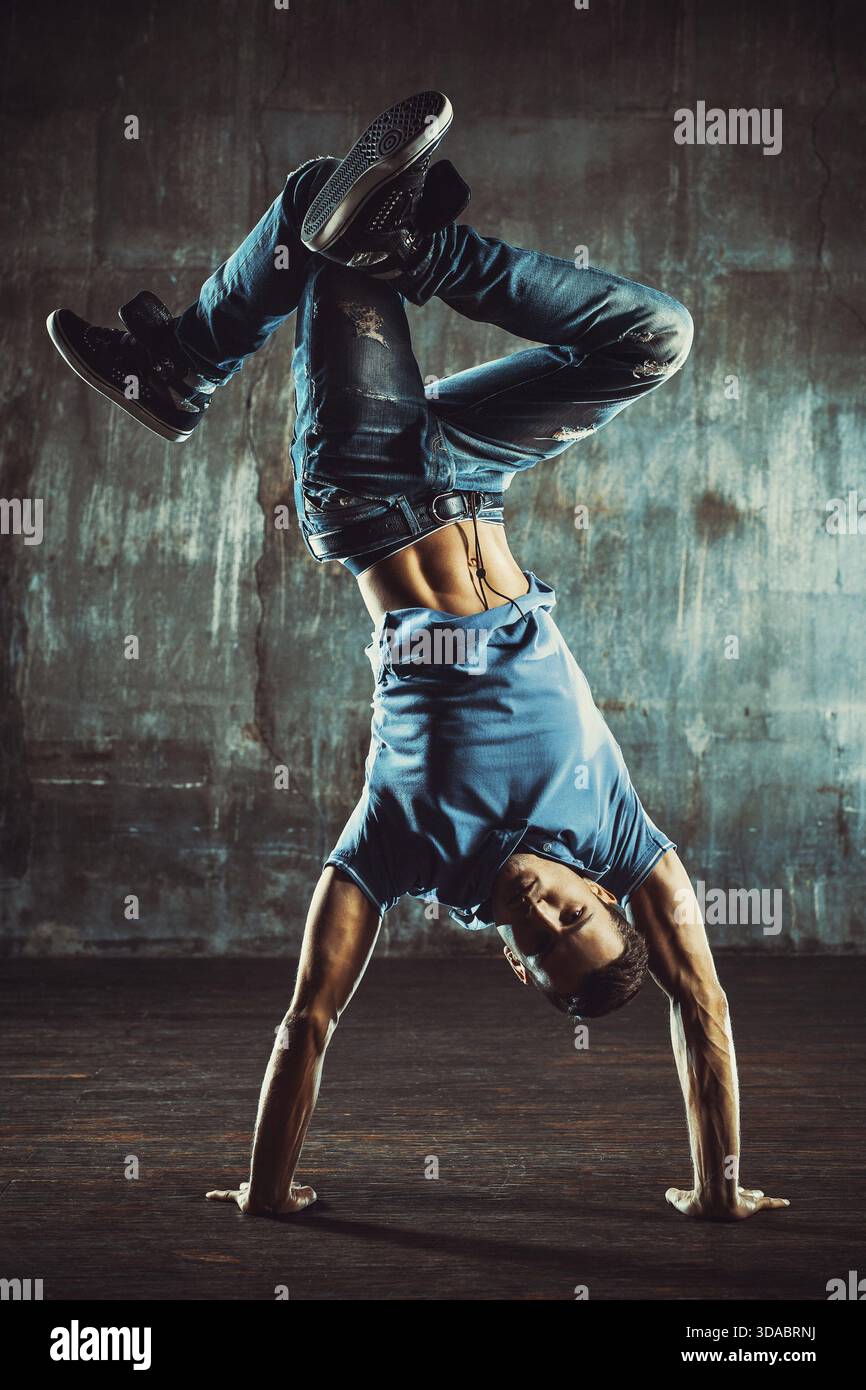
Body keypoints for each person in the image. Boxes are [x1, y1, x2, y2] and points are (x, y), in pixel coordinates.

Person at [48, 92, 789, 1223]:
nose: (546, 912)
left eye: (538, 942)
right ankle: (388, 260)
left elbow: (308, 1020)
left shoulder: (404, 849)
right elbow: (705, 1005)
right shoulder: (617, 834)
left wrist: (267, 1191)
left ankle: (195, 362)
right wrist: (719, 1187)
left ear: (511, 961)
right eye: (578, 916)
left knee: (320, 206)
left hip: (373, 484)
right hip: (474, 465)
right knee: (655, 337)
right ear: (605, 898)